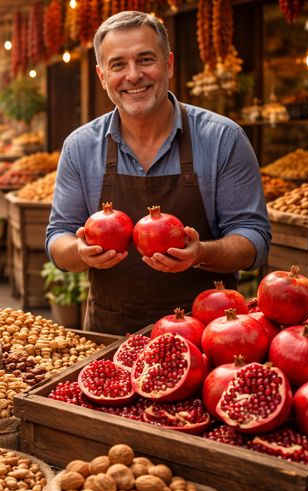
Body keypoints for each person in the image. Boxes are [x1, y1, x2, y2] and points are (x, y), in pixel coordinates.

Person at [46, 11, 271, 335]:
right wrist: (80, 252)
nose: (133, 75)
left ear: (168, 64)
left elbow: (254, 238)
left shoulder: (223, 138)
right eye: (118, 64)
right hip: (110, 335)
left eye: (145, 59)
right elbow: (57, 237)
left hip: (211, 336)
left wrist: (201, 253)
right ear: (101, 75)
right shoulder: (80, 147)